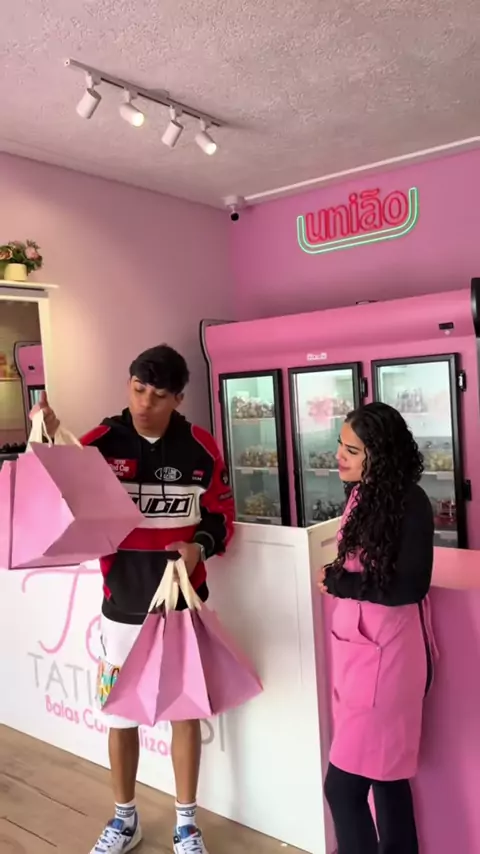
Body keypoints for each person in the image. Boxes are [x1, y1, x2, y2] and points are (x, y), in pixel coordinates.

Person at [38, 344, 235, 854]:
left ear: (178, 398)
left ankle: (186, 826)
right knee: (119, 717)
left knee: (184, 713)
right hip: (121, 610)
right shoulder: (99, 444)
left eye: (159, 394)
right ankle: (125, 820)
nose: (145, 402)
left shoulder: (201, 447)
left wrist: (200, 545)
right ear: (128, 384)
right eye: (138, 388)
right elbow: (59, 501)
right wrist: (49, 440)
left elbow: (222, 516)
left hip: (181, 609)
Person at [318, 402, 435, 854]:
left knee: (343, 789)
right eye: (340, 445)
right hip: (358, 655)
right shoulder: (360, 495)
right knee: (387, 782)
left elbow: (410, 585)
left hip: (388, 662)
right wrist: (340, 575)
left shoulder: (411, 502)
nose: (339, 457)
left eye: (352, 450)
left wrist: (339, 582)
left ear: (380, 455)